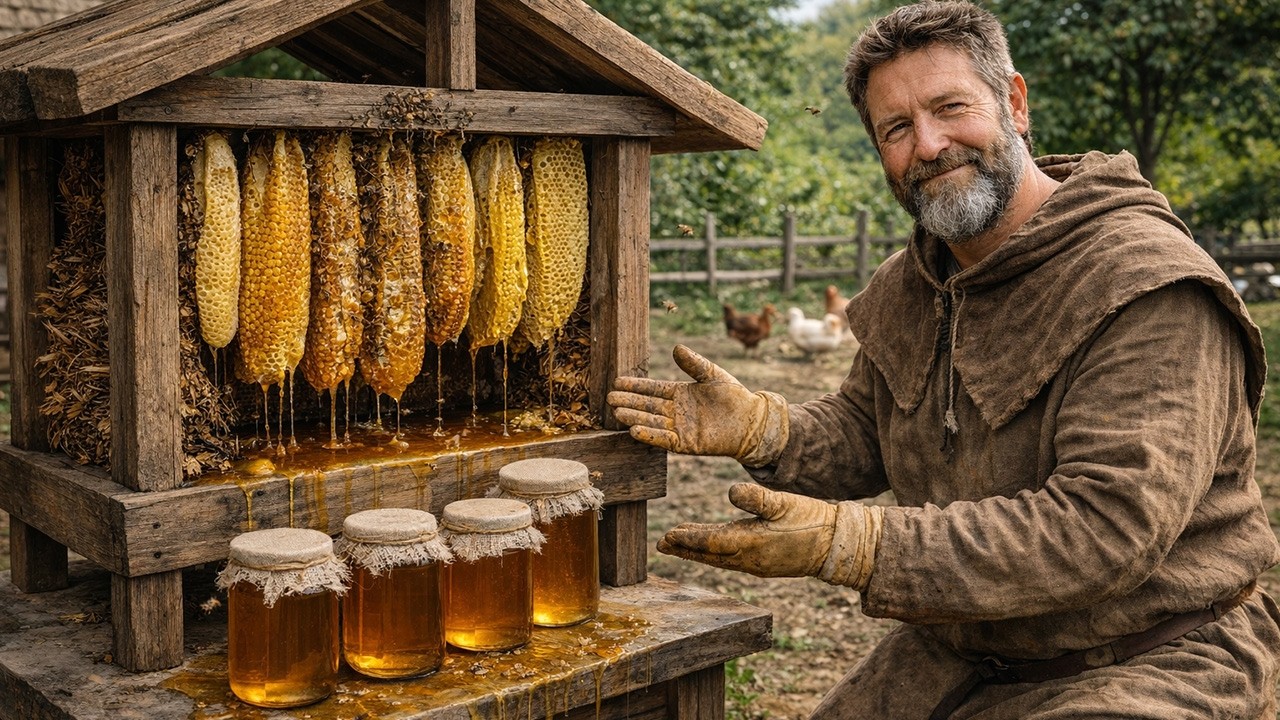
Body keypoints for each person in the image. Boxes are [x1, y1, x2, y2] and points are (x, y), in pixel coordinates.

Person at [607, 1, 1280, 718]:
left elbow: (1102, 527)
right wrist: (764, 430)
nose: (928, 145)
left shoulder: (1144, 285)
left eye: (950, 108)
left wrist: (853, 546)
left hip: (1153, 660)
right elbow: (865, 432)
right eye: (896, 128)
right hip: (964, 654)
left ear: (1014, 103)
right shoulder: (915, 281)